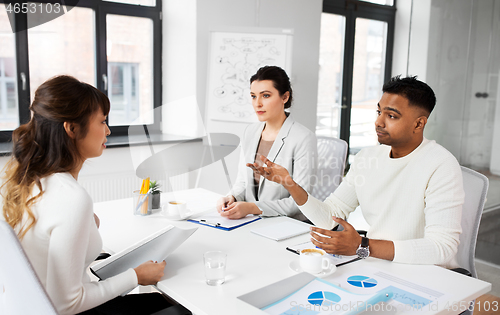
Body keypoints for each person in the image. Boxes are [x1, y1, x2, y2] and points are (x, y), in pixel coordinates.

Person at [0, 76, 189, 315]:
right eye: (102, 121)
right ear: (71, 128)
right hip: (65, 310)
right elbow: (66, 304)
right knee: (179, 309)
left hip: (30, 307)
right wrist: (136, 276)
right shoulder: (70, 197)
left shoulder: (28, 180)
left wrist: (88, 224)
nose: (108, 130)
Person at [249, 75, 464, 268]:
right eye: (379, 111)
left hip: (424, 272)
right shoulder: (367, 158)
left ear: (419, 124)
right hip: (376, 263)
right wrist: (289, 183)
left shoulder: (441, 164)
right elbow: (328, 218)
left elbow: (442, 248)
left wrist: (363, 245)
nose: (378, 121)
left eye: (391, 116)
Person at [216, 66, 317, 220]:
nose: (258, 103)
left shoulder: (303, 138)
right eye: (253, 96)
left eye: (266, 96)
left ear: (285, 97)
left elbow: (299, 201)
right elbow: (243, 181)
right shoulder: (249, 132)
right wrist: (232, 197)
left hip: (285, 223)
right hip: (251, 221)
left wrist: (252, 208)